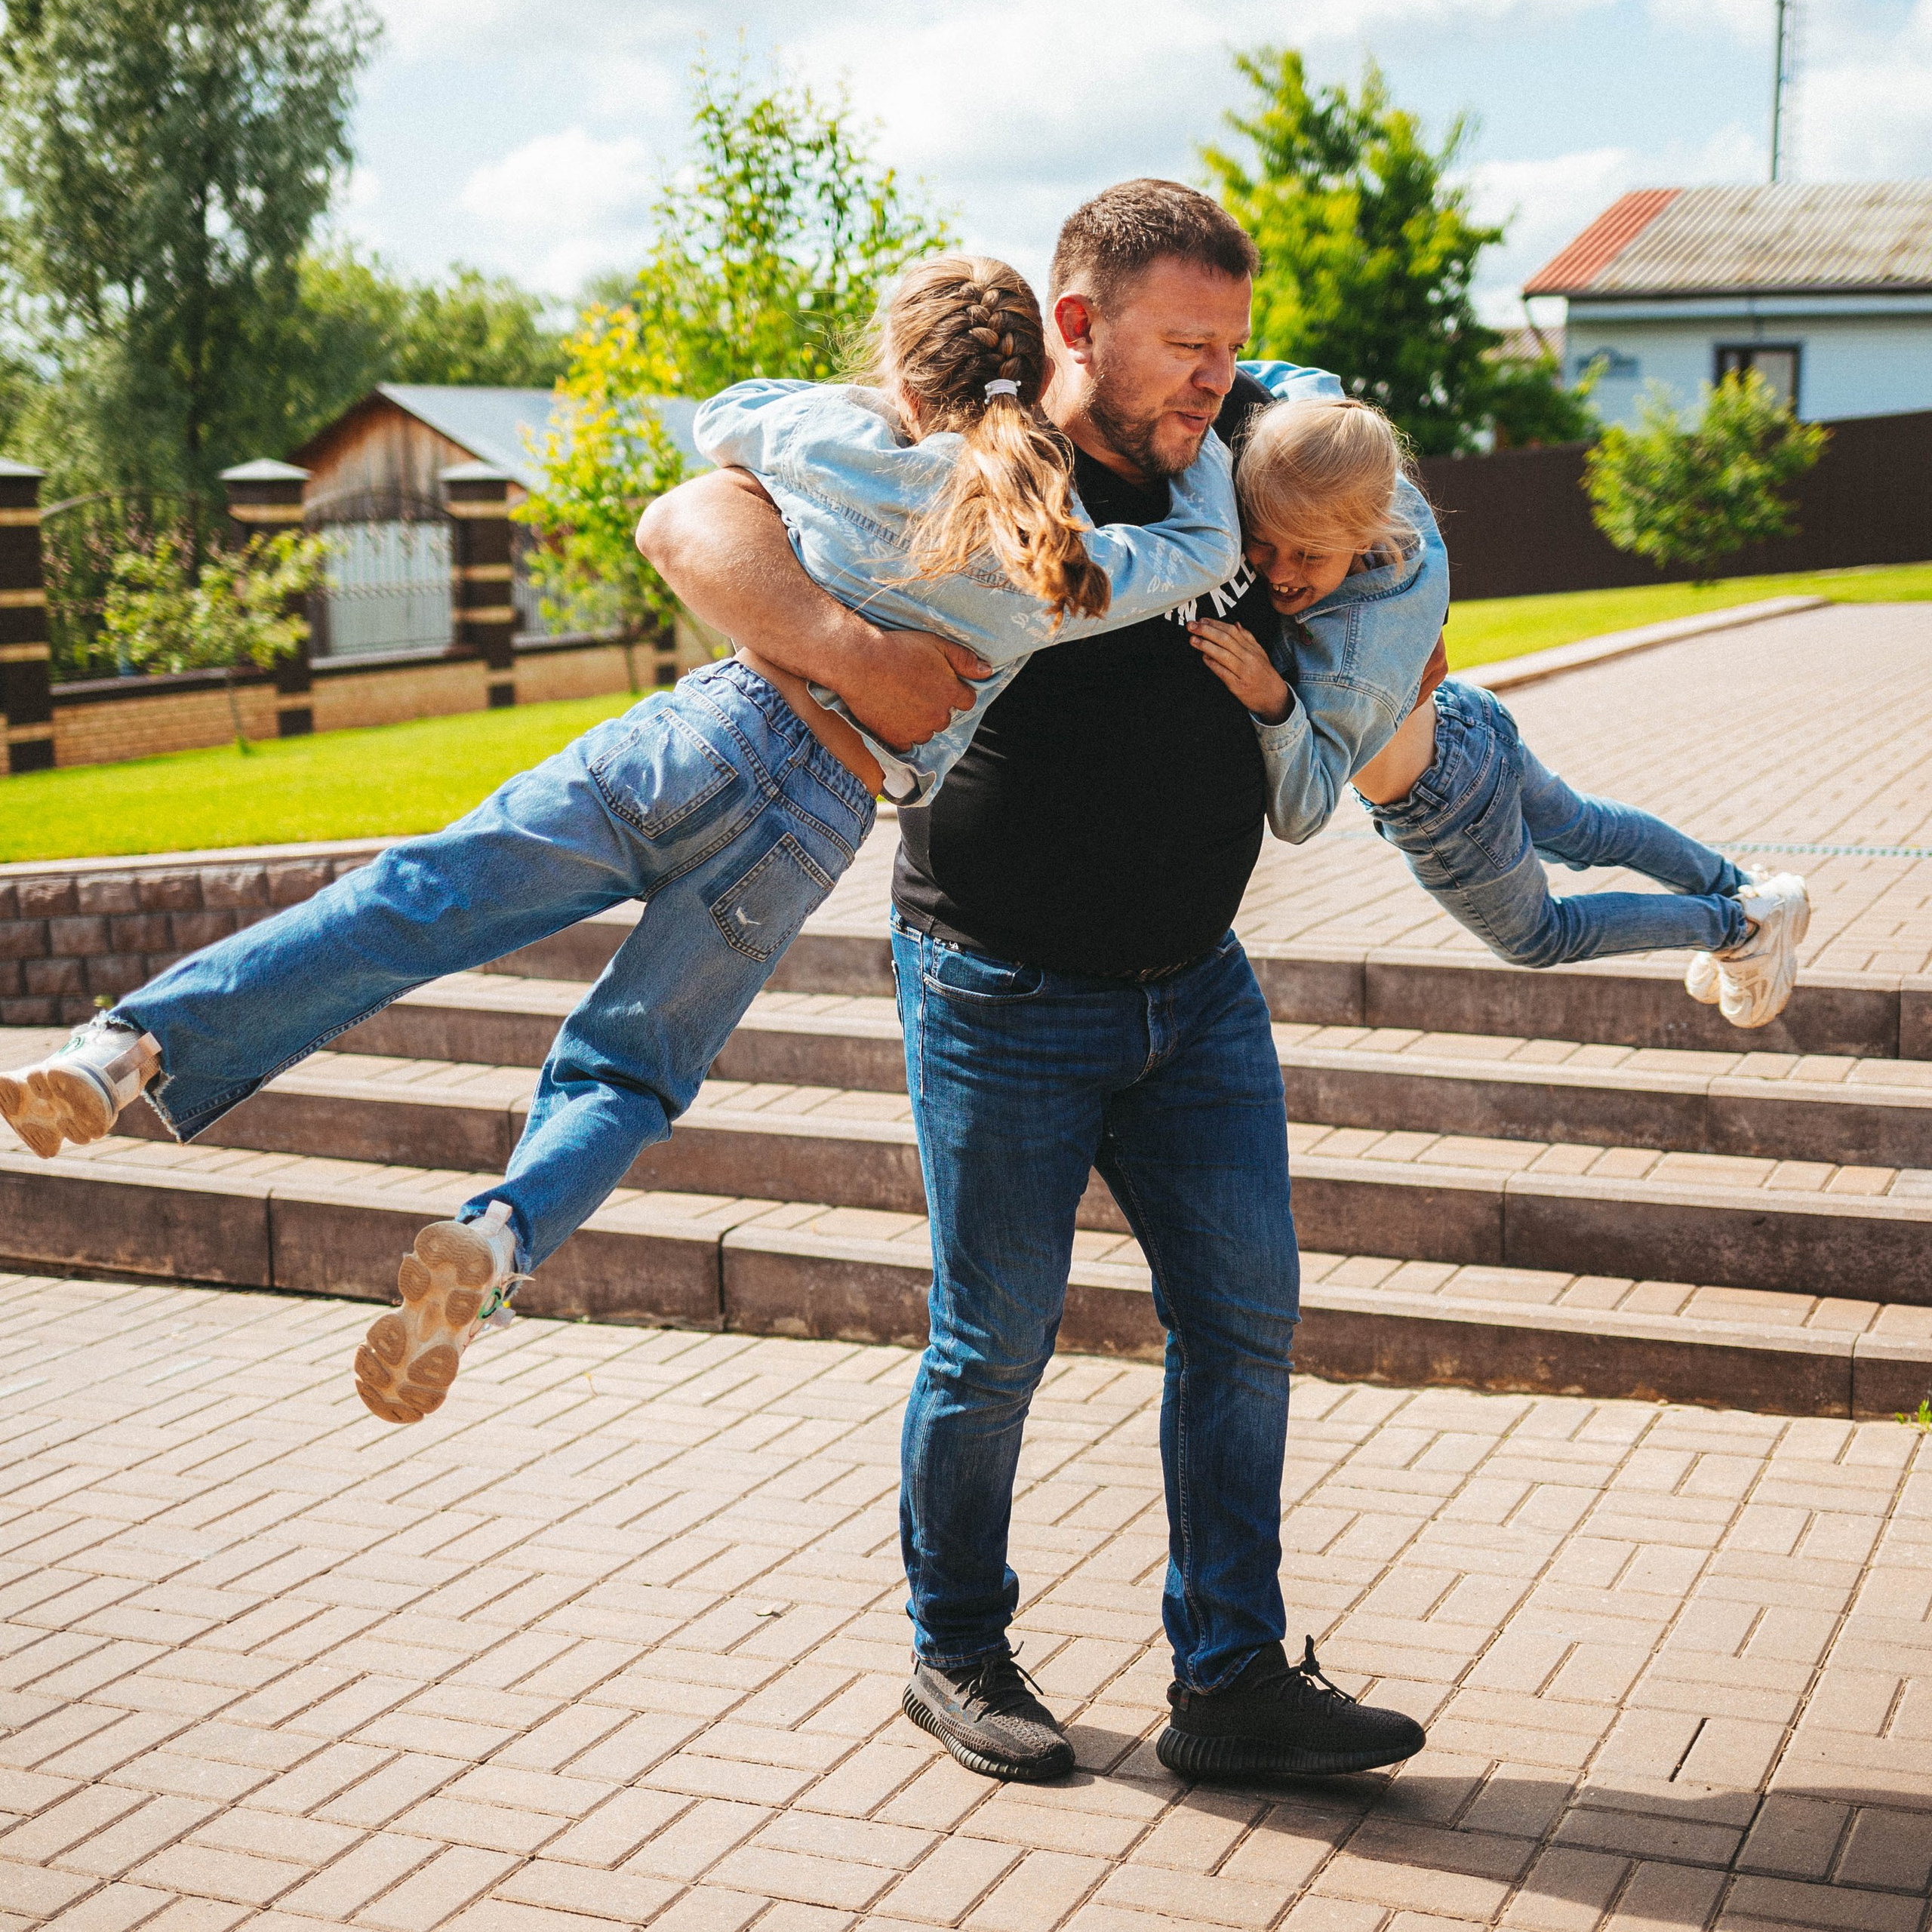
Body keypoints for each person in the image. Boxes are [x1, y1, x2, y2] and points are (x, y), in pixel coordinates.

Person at [0, 254, 1246, 1426]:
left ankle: (127, 1046)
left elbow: (728, 419)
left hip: (701, 739)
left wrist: (884, 410)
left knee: (412, 901)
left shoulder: (839, 441)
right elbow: (1208, 549)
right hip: (812, 824)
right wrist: (1227, 433)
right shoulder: (1056, 560)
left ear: (903, 376)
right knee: (627, 1072)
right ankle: (492, 1243)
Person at [640, 180, 1438, 1787]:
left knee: (1243, 1321)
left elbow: (1382, 521)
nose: (1217, 373)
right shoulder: (970, 455)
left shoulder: (1247, 456)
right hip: (999, 983)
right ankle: (954, 1646)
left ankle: (1226, 1678)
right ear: (1077, 326)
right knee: (992, 1341)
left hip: (1192, 987)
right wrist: (836, 643)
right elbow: (704, 504)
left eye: (1232, 341)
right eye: (1181, 344)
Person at [1188, 393, 1810, 1026]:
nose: (1278, 571)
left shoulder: (1351, 670)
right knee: (1583, 828)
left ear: (1364, 530)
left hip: (1442, 806)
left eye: (1309, 555)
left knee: (1541, 936)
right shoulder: (1380, 495)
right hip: (1466, 719)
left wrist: (1272, 699)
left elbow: (1303, 811)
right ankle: (1743, 888)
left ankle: (1740, 926)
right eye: (1263, 543)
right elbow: (1308, 394)